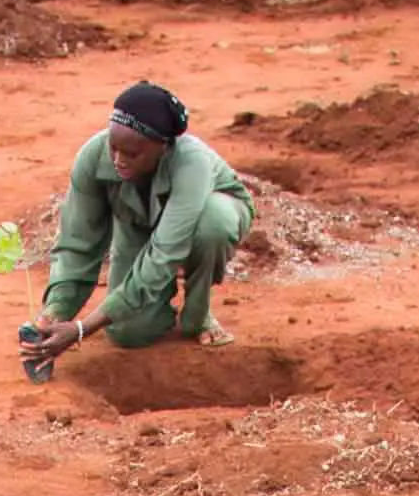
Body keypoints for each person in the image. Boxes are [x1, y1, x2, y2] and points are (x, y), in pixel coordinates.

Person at [18, 80, 253, 375]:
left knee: (212, 225)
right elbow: (78, 245)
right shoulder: (92, 157)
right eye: (114, 148)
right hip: (139, 226)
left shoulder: (192, 163)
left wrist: (81, 330)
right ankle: (157, 311)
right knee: (128, 333)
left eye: (132, 154)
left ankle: (197, 314)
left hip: (210, 214)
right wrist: (54, 313)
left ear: (164, 147)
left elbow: (165, 253)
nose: (119, 160)